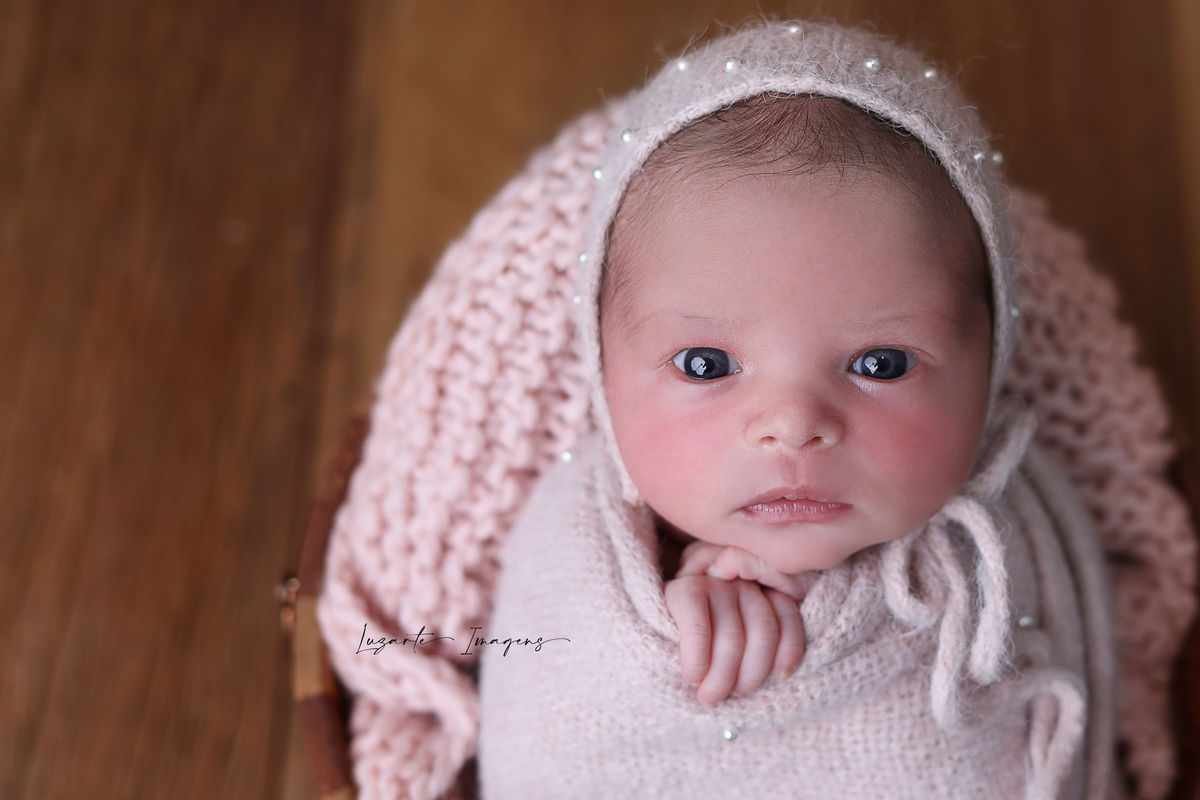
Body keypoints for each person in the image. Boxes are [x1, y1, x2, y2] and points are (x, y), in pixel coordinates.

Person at [317, 19, 1195, 800]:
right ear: (603, 371)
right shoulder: (569, 533)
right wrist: (666, 620)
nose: (792, 425)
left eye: (881, 364)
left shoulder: (1020, 526)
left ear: (992, 360)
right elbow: (552, 705)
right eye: (706, 365)